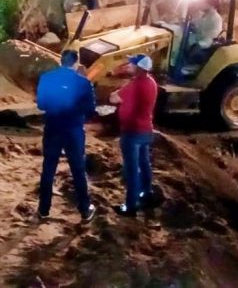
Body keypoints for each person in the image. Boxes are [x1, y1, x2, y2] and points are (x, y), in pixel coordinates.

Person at [36, 49, 98, 223]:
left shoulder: (47, 78)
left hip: (53, 128)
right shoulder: (84, 83)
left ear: (60, 61)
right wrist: (78, 116)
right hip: (73, 130)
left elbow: (41, 104)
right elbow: (91, 110)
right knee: (78, 170)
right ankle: (85, 210)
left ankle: (43, 210)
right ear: (76, 63)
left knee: (48, 169)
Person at [110, 54, 159, 217]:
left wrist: (118, 90)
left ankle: (131, 206)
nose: (128, 66)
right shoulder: (151, 82)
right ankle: (147, 194)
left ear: (139, 68)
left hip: (132, 132)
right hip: (146, 130)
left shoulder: (135, 85)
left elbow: (113, 98)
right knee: (144, 164)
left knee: (131, 170)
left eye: (131, 64)